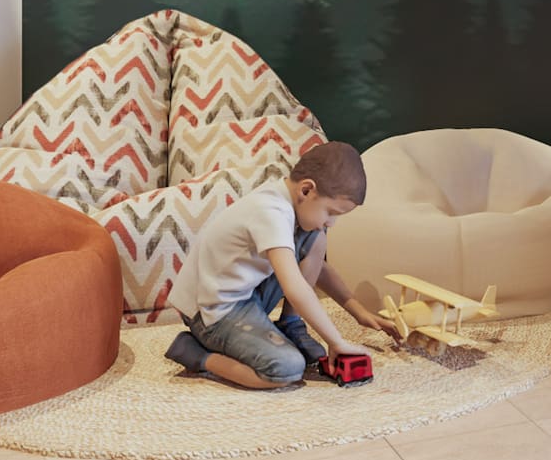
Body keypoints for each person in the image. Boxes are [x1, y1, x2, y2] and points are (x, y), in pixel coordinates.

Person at [163, 140, 391, 388]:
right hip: (212, 310)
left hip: (246, 293)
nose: (331, 222)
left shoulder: (290, 205)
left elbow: (319, 269)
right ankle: (197, 355)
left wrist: (358, 311)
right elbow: (294, 286)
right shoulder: (270, 212)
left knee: (316, 236)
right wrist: (336, 342)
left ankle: (290, 324)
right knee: (287, 369)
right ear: (306, 190)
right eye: (331, 212)